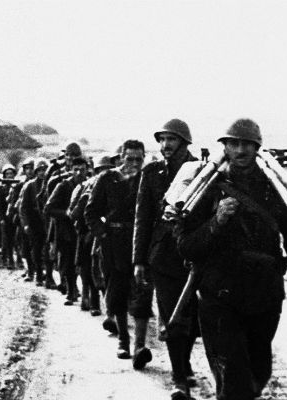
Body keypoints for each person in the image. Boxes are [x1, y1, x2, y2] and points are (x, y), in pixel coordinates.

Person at [175, 119, 287, 400]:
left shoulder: (277, 189)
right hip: (220, 294)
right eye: (234, 144)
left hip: (264, 295)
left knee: (258, 373)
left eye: (247, 144)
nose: (240, 150)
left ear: (257, 148)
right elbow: (186, 247)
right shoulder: (204, 188)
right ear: (225, 148)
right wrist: (216, 221)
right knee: (233, 378)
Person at [132, 119, 199, 398]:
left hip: (196, 252)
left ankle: (184, 364)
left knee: (193, 319)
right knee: (172, 317)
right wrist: (139, 259)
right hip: (163, 255)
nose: (165, 145)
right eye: (161, 140)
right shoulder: (152, 172)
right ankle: (180, 377)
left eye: (171, 139)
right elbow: (142, 217)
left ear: (184, 142)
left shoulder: (201, 170)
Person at [85, 140, 149, 363]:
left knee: (143, 291)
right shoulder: (108, 178)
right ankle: (124, 340)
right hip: (114, 243)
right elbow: (91, 213)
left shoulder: (147, 178)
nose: (134, 163)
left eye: (138, 159)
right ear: (121, 157)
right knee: (118, 293)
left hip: (141, 241)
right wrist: (104, 236)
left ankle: (140, 346)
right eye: (129, 158)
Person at [69, 154, 115, 316]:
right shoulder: (86, 187)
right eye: (101, 170)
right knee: (89, 269)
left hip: (108, 235)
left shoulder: (117, 187)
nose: (105, 173)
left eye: (108, 170)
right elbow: (75, 214)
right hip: (87, 234)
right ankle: (92, 301)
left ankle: (111, 308)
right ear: (95, 171)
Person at [45, 157, 89, 304]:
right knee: (68, 262)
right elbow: (48, 208)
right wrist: (65, 213)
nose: (79, 173)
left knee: (85, 262)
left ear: (87, 170)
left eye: (82, 169)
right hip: (66, 231)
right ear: (70, 170)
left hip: (85, 229)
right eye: (76, 169)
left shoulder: (91, 184)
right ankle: (71, 291)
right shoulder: (63, 186)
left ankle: (86, 295)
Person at [18, 159, 49, 285]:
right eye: (40, 170)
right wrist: (26, 224)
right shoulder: (30, 185)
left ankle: (49, 275)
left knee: (47, 249)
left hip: (47, 220)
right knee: (36, 248)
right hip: (34, 220)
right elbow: (23, 207)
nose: (42, 173)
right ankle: (38, 274)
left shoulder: (51, 184)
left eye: (44, 170)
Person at [0, 164, 17, 268]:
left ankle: (17, 260)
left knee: (16, 239)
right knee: (6, 240)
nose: (9, 175)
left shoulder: (17, 186)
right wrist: (1, 218)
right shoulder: (1, 188)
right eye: (7, 174)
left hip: (15, 217)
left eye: (11, 173)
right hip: (5, 218)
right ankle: (8, 260)